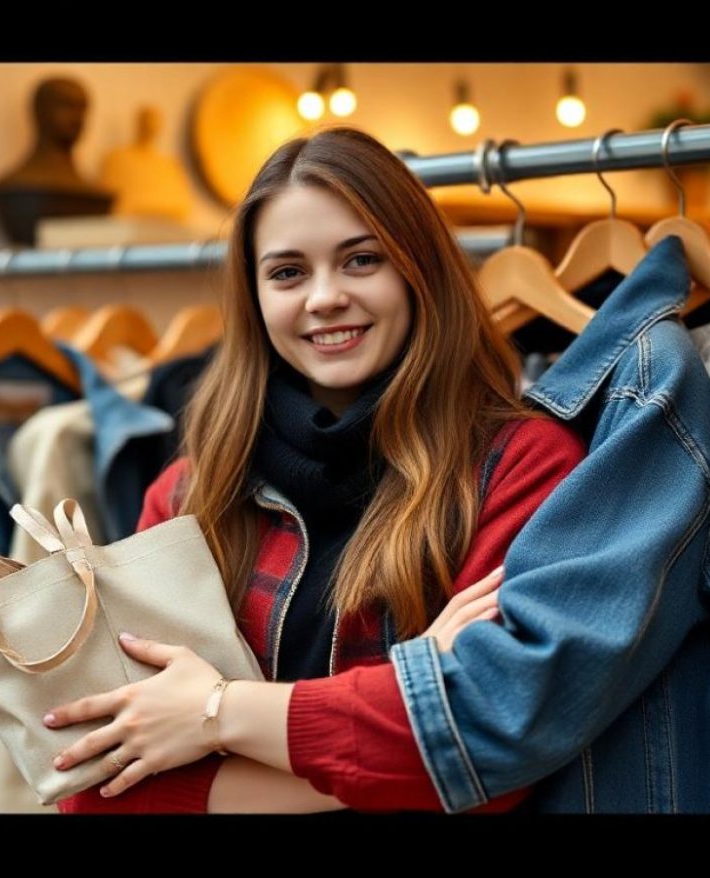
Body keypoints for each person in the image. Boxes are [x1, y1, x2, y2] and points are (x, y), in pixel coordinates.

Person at [43, 126, 586, 813]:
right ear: (255, 295)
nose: (323, 297)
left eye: (361, 260)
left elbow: (485, 754)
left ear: (419, 270)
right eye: (288, 272)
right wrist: (408, 698)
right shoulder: (191, 490)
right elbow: (98, 789)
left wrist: (214, 712)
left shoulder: (521, 469)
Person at [0, 77, 113, 245]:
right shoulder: (16, 189)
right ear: (40, 111)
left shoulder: (96, 194)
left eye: (82, 109)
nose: (78, 119)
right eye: (67, 105)